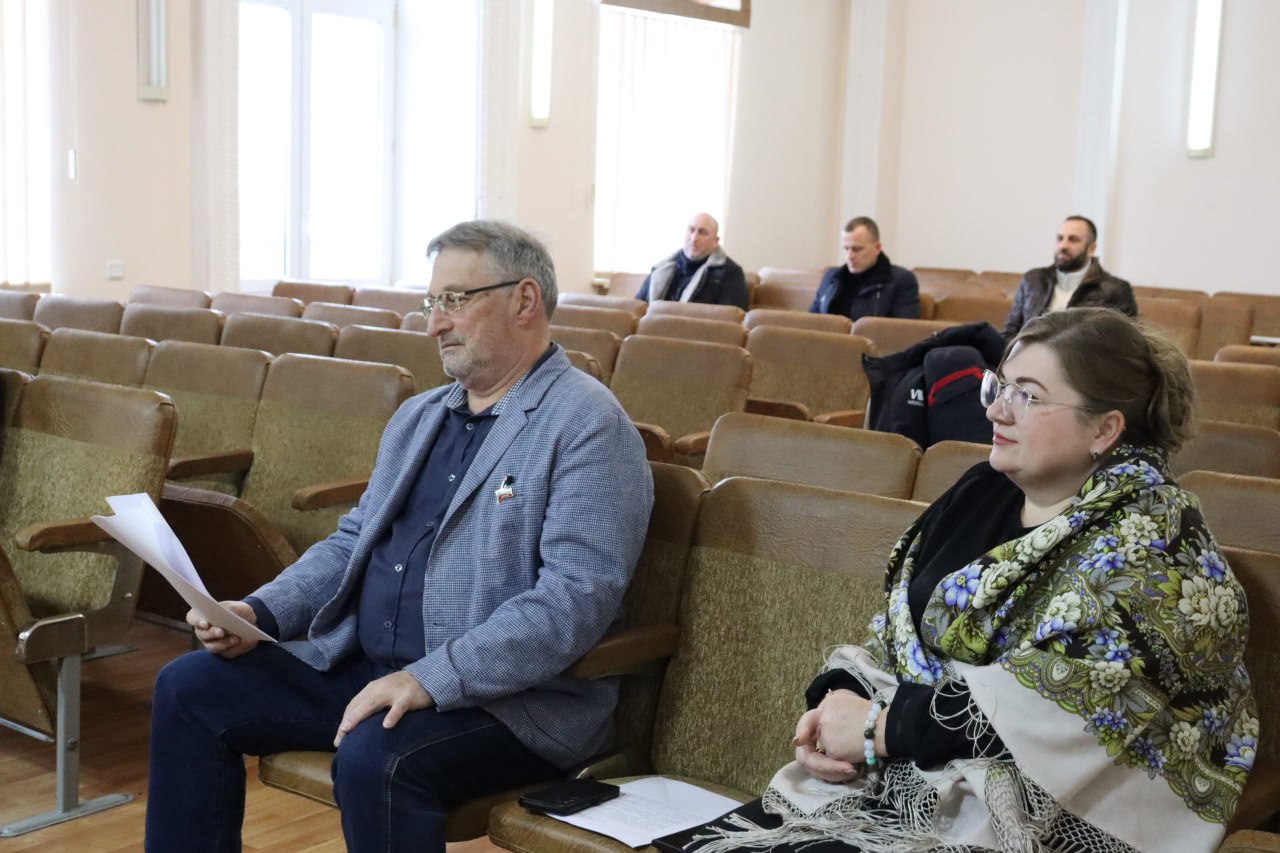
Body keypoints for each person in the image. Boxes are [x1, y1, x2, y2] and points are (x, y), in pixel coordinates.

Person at [145, 220, 654, 853]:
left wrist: (428, 679)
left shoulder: (587, 425)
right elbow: (352, 542)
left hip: (507, 702)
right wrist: (259, 613)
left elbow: (573, 600)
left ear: (524, 300)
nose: (435, 322)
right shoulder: (419, 416)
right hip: (368, 668)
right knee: (188, 689)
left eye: (454, 300)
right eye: (431, 302)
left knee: (375, 760)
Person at [680, 308, 1255, 853]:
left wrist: (880, 726)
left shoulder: (1158, 545)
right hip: (900, 767)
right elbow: (900, 626)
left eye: (1027, 396)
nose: (996, 411)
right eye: (999, 387)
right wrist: (840, 699)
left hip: (1039, 810)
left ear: (1104, 428)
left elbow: (1061, 711)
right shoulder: (982, 491)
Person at [1002, 215, 1137, 337]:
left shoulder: (1116, 290)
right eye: (1060, 238)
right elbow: (1010, 331)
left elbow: (1126, 343)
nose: (1063, 245)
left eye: (1073, 240)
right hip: (1027, 353)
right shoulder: (1033, 279)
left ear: (1091, 249)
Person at [809, 216, 920, 320]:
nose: (849, 256)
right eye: (846, 249)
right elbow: (812, 321)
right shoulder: (831, 277)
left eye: (857, 249)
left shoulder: (901, 281)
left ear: (877, 248)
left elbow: (904, 329)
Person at [636, 213, 749, 309]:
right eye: (691, 230)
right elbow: (637, 308)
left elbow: (731, 319)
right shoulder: (661, 267)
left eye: (702, 232)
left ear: (715, 241)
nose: (694, 238)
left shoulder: (731, 272)